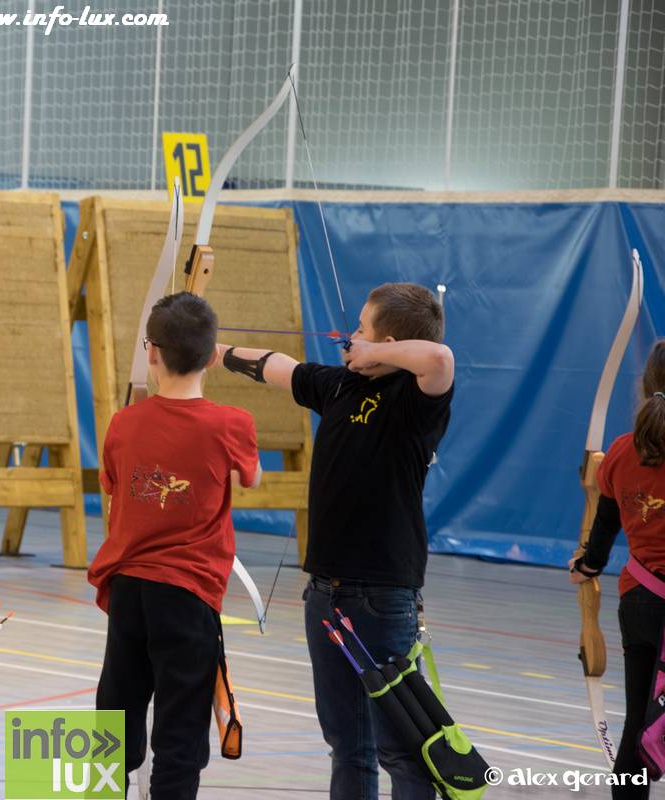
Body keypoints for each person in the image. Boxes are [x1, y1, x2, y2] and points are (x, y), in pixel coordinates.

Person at [217, 282, 453, 800]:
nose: (350, 339)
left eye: (361, 331)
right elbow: (275, 365)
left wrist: (377, 352)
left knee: (403, 752)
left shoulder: (415, 401)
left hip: (382, 596)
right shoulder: (338, 386)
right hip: (324, 593)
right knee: (348, 746)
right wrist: (215, 353)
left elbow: (438, 356)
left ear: (386, 342)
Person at [87, 292, 261, 799]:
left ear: (152, 354)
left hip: (129, 592)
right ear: (211, 357)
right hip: (187, 595)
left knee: (115, 715)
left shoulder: (123, 423)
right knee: (180, 732)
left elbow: (114, 482)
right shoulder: (233, 424)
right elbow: (250, 479)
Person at [571, 340, 665, 798]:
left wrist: (586, 566)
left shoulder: (624, 451)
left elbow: (604, 531)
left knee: (639, 725)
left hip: (641, 603)